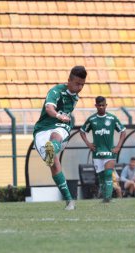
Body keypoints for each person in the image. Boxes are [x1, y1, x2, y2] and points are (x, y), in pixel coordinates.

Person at [33, 66, 87, 210]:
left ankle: (52, 147)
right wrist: (58, 115)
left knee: (55, 135)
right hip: (42, 130)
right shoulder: (55, 91)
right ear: (69, 80)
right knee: (55, 164)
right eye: (77, 83)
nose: (80, 87)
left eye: (82, 84)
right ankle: (69, 201)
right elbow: (49, 108)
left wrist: (62, 119)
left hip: (60, 127)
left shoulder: (75, 96)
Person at [80, 96, 127, 203]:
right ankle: (105, 196)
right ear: (96, 106)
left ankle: (107, 198)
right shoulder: (92, 119)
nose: (101, 107)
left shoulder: (112, 118)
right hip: (97, 153)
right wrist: (88, 144)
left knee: (108, 175)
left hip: (110, 153)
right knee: (101, 178)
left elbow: (123, 131)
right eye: (99, 105)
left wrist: (118, 147)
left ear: (106, 105)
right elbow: (82, 131)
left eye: (103, 105)